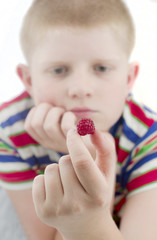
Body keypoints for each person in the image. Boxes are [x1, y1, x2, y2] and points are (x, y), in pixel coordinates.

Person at [0, 0, 157, 239]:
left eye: (102, 68)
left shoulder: (149, 138)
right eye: (59, 70)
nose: (81, 89)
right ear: (29, 80)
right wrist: (76, 158)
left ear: (128, 78)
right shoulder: (9, 130)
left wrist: (92, 162)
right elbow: (45, 237)